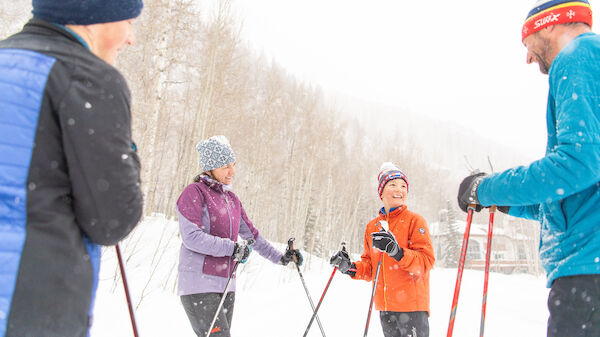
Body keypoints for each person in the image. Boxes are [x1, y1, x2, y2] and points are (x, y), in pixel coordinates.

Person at [0, 1, 144, 336]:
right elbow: (113, 220)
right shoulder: (89, 79)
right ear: (94, 16)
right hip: (30, 306)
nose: (130, 38)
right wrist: (126, 149)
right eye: (127, 21)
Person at [457, 1, 600, 336]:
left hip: (587, 272)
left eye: (528, 43)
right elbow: (574, 197)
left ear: (549, 25)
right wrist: (506, 201)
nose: (528, 58)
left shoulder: (578, 55)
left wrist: (487, 187)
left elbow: (575, 165)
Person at [176, 135, 303, 337]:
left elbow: (252, 236)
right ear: (210, 168)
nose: (232, 171)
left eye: (233, 165)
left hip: (226, 284)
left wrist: (281, 257)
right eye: (226, 166)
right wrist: (232, 248)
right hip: (198, 284)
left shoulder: (232, 199)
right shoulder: (195, 192)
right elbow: (191, 237)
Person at [330, 162, 435, 337]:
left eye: (403, 186)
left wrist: (397, 252)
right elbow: (370, 268)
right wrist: (350, 267)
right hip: (386, 309)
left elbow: (425, 262)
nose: (399, 190)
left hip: (412, 308)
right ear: (381, 192)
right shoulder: (373, 227)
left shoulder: (415, 221)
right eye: (392, 185)